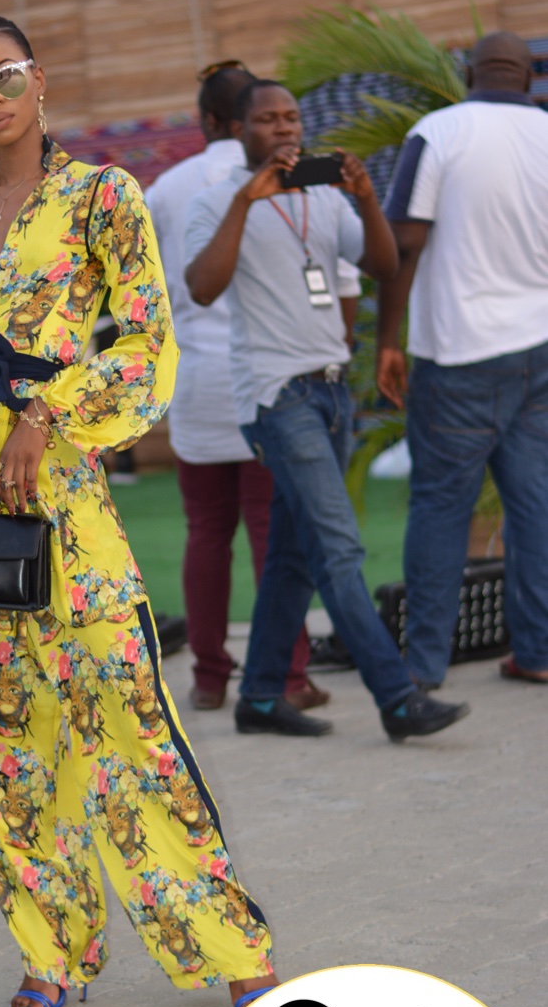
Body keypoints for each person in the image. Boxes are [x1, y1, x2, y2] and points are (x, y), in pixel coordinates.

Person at [0, 13, 276, 1007]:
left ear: (38, 80)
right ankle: (50, 952)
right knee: (4, 746)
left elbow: (142, 338)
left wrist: (46, 414)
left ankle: (229, 947)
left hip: (61, 502)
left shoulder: (103, 197)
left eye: (5, 74)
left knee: (129, 722)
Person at [185, 79, 470, 742]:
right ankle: (396, 697)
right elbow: (201, 288)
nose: (285, 128)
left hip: (332, 391)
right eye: (268, 119)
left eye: (291, 117)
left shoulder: (324, 197)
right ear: (240, 131)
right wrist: (246, 202)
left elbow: (383, 263)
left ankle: (259, 698)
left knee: (293, 556)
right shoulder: (216, 200)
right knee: (338, 546)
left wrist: (365, 198)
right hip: (276, 395)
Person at [147, 61, 334, 714]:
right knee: (271, 531)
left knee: (205, 531)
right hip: (265, 376)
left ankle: (208, 678)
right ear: (246, 117)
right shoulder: (290, 177)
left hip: (195, 379)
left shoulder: (165, 189)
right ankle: (288, 676)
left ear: (205, 120)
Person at [380, 31, 548, 687]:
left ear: (467, 73)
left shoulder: (438, 132)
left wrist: (387, 340)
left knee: (440, 508)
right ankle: (537, 653)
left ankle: (423, 670)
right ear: (528, 75)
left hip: (457, 356)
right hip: (539, 350)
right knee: (534, 504)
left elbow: (404, 241)